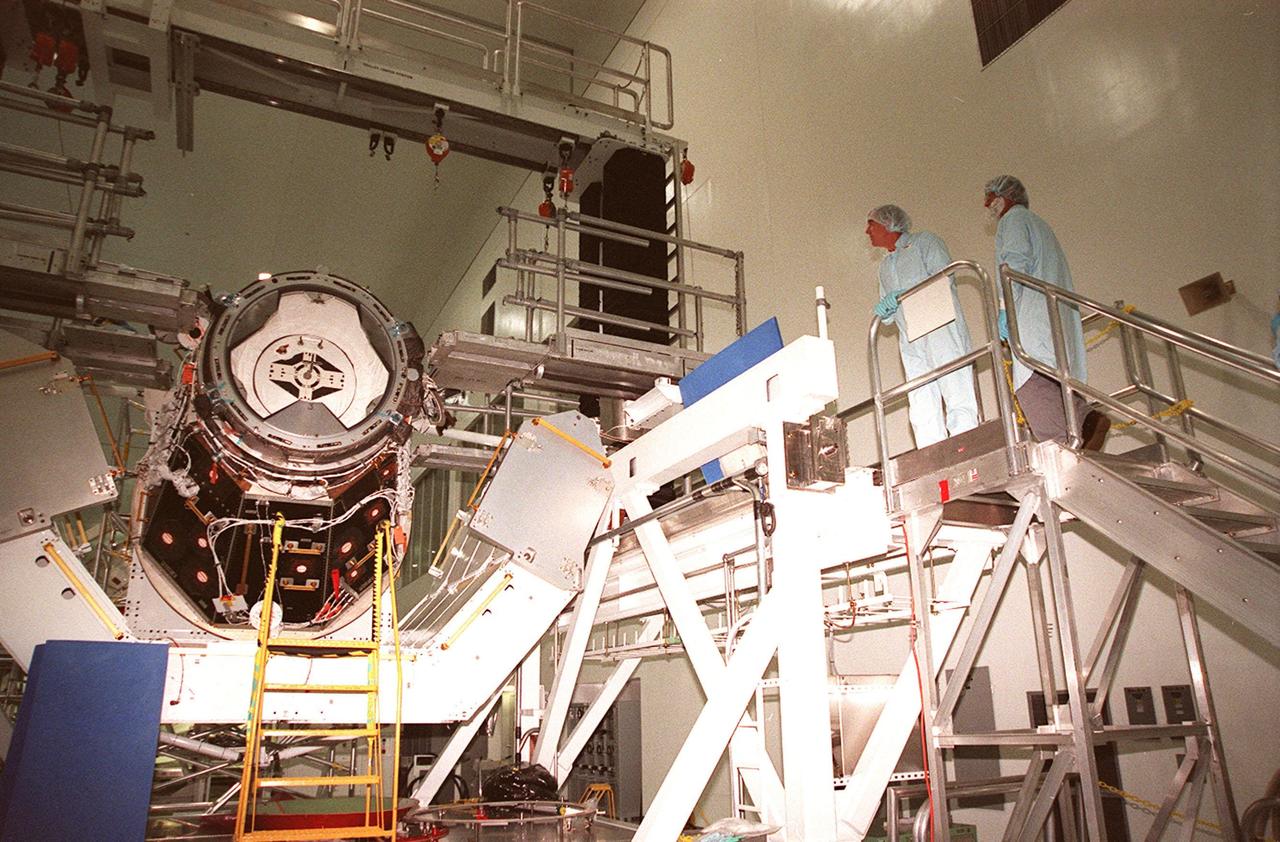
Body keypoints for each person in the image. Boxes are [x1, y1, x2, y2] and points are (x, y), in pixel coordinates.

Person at [984, 175, 1089, 443]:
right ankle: (1084, 427)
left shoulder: (1013, 220)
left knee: (1033, 391)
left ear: (1003, 197)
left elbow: (1013, 267)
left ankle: (1065, 450)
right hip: (1054, 324)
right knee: (1062, 390)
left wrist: (1005, 309)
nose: (986, 205)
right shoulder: (1039, 225)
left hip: (1034, 324)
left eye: (989, 198)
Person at [867, 204, 979, 448]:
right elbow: (888, 311)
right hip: (910, 337)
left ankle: (965, 444)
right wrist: (885, 311)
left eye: (871, 224)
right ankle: (931, 450)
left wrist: (905, 292)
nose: (867, 231)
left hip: (940, 325)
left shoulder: (924, 242)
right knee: (919, 397)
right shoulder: (885, 266)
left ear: (888, 224)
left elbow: (944, 274)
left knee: (955, 385)